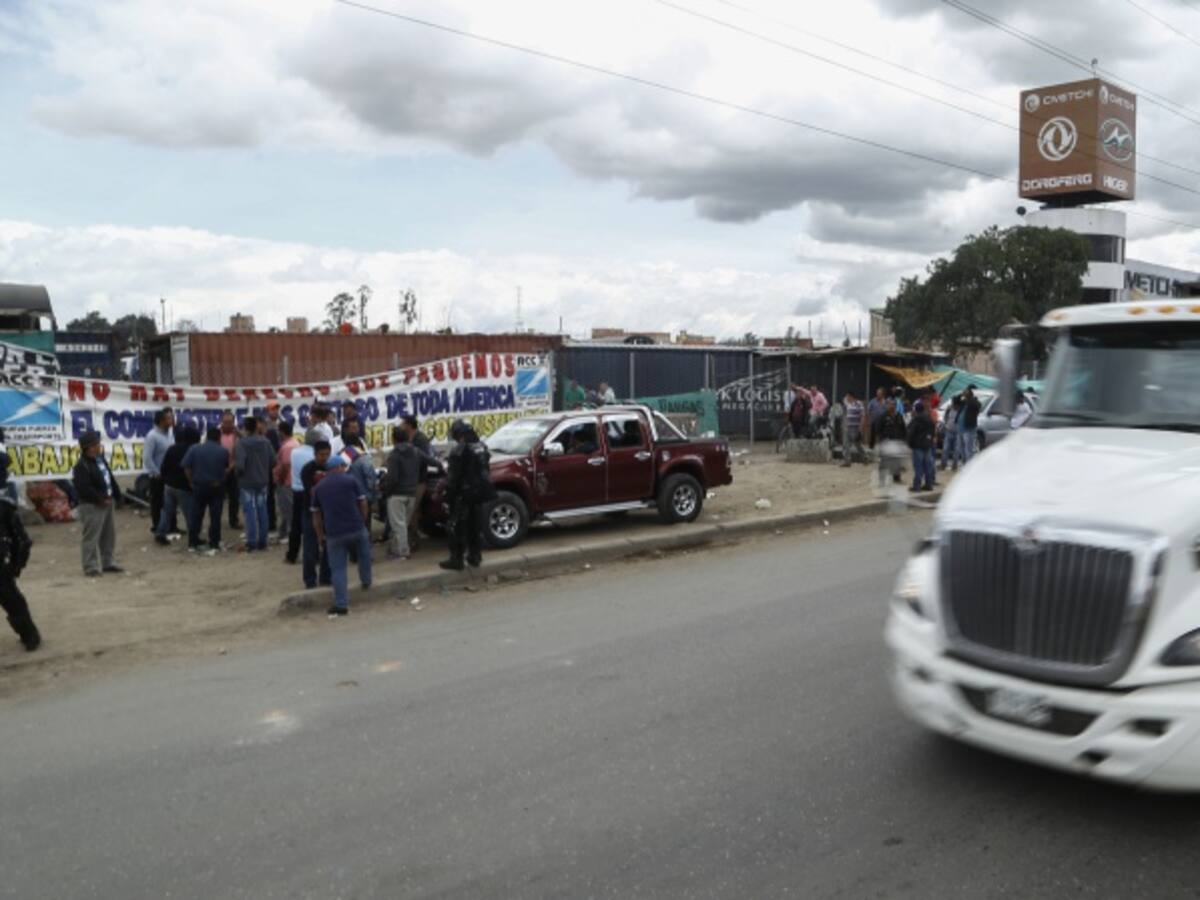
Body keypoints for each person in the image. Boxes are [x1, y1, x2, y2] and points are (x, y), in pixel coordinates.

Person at [311, 454, 370, 617]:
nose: (344, 469)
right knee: (364, 554)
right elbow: (363, 503)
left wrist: (320, 535)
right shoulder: (351, 480)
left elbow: (316, 516)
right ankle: (366, 581)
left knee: (338, 569)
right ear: (338, 467)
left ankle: (341, 604)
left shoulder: (319, 488)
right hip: (356, 528)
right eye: (343, 466)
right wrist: (363, 521)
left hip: (334, 534)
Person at [440, 419, 496, 571]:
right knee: (475, 526)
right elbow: (486, 469)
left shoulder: (459, 450)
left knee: (455, 526)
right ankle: (475, 556)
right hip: (479, 493)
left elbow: (453, 478)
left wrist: (446, 496)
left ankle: (456, 560)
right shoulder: (482, 447)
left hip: (463, 494)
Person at [72, 431, 124, 577]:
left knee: (109, 535)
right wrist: (100, 499)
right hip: (92, 506)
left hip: (107, 502)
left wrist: (117, 495)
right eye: (96, 444)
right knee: (91, 537)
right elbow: (84, 488)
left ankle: (108, 562)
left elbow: (109, 478)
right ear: (89, 447)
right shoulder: (81, 466)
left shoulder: (100, 459)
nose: (99, 446)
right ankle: (90, 566)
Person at [0, 455, 38, 651]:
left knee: (13, 602)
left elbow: (21, 541)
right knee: (14, 601)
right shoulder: (5, 506)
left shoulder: (5, 507)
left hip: (2, 566)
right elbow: (22, 542)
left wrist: (15, 565)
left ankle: (30, 636)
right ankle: (29, 636)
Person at [183, 427, 232, 555]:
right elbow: (225, 469)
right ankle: (214, 542)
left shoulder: (194, 448)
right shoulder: (223, 451)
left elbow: (186, 467)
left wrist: (190, 481)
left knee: (196, 515)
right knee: (215, 516)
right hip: (216, 487)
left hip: (199, 486)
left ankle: (193, 541)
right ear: (218, 438)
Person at [382, 426, 426, 559]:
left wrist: (386, 490)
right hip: (411, 493)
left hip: (397, 494)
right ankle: (397, 550)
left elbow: (393, 478)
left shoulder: (394, 455)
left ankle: (402, 553)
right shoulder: (416, 451)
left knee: (398, 526)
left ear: (394, 439)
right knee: (403, 525)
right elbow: (432, 461)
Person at [234, 415, 276, 551]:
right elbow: (273, 461)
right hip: (263, 481)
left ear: (246, 428)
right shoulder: (266, 442)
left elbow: (240, 465)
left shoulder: (242, 443)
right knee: (262, 509)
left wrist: (237, 475)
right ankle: (263, 541)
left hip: (247, 481)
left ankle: (252, 541)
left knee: (250, 511)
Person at [155, 425, 198, 546]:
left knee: (167, 512)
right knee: (190, 513)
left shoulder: (172, 448)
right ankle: (194, 537)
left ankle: (160, 533)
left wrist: (165, 480)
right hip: (184, 486)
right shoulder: (192, 449)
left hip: (169, 485)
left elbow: (164, 466)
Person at [300, 440, 334, 589]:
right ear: (315, 454)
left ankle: (326, 577)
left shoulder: (332, 468)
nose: (325, 458)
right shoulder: (307, 469)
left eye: (327, 454)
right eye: (321, 455)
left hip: (329, 511)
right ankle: (310, 580)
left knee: (329, 544)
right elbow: (312, 491)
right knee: (310, 547)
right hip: (311, 511)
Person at [286, 427, 320, 564]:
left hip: (296, 491)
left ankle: (292, 555)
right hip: (311, 492)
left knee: (296, 525)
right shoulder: (315, 455)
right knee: (314, 524)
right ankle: (315, 555)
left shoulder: (294, 452)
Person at [400, 415, 434, 551]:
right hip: (409, 480)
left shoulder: (420, 439)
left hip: (419, 480)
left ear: (409, 425)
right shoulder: (408, 439)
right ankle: (412, 539)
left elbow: (425, 458)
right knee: (412, 511)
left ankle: (413, 540)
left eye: (403, 423)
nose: (401, 425)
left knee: (412, 510)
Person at [144, 408, 175, 535]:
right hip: (157, 477)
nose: (171, 421)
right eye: (168, 418)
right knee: (157, 503)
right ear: (161, 421)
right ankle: (158, 528)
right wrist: (156, 473)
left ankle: (172, 527)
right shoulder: (152, 436)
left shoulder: (170, 434)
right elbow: (147, 457)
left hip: (170, 475)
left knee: (171, 502)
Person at [273, 421, 298, 545]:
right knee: (285, 509)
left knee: (288, 509)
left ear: (282, 432)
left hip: (286, 482)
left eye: (279, 430)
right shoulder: (292, 443)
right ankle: (283, 532)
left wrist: (281, 479)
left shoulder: (288, 446)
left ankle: (289, 533)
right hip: (289, 481)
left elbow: (286, 466)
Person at [876, 398, 908, 486]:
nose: (892, 406)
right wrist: (882, 439)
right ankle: (882, 480)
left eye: (894, 404)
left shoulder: (899, 416)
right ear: (887, 405)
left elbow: (903, 429)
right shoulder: (883, 416)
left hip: (897, 442)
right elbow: (878, 429)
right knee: (884, 462)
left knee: (897, 461)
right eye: (890, 404)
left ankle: (897, 478)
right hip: (886, 442)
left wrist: (904, 440)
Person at [907, 399, 936, 492]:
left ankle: (917, 486)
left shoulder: (915, 419)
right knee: (927, 466)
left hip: (918, 446)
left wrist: (910, 444)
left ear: (915, 409)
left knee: (918, 466)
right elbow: (933, 430)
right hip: (927, 445)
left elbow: (910, 433)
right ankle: (929, 484)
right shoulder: (929, 418)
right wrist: (930, 440)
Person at [263, 402, 283, 532]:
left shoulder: (280, 423)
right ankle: (271, 522)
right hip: (269, 463)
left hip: (280, 462)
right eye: (273, 409)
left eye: (276, 409)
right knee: (269, 495)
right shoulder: (266, 426)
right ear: (268, 411)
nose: (275, 411)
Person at [219, 411, 240, 529]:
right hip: (219, 468)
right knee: (218, 498)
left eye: (230, 422)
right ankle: (216, 520)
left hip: (233, 469)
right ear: (221, 422)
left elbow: (239, 454)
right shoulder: (216, 434)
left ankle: (234, 521)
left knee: (234, 497)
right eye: (225, 422)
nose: (227, 425)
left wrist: (231, 467)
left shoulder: (237, 435)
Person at [956, 386, 982, 466]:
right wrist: (961, 394)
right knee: (960, 448)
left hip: (969, 429)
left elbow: (978, 405)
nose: (965, 393)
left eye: (966, 392)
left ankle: (969, 465)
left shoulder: (974, 402)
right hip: (960, 429)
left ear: (970, 393)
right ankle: (965, 463)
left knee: (968, 448)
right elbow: (955, 400)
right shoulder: (964, 402)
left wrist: (969, 396)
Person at [841, 391, 864, 467]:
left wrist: (860, 428)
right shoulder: (848, 404)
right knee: (846, 444)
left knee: (858, 445)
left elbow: (862, 416)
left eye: (848, 396)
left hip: (855, 428)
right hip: (848, 427)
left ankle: (865, 457)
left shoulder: (859, 404)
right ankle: (847, 461)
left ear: (852, 397)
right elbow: (844, 400)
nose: (847, 398)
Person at [940, 395, 962, 471]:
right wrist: (946, 424)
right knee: (945, 449)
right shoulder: (949, 408)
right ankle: (943, 464)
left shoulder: (961, 410)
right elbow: (945, 417)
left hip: (958, 432)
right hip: (949, 430)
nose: (953, 405)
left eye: (954, 403)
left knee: (956, 450)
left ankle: (954, 466)